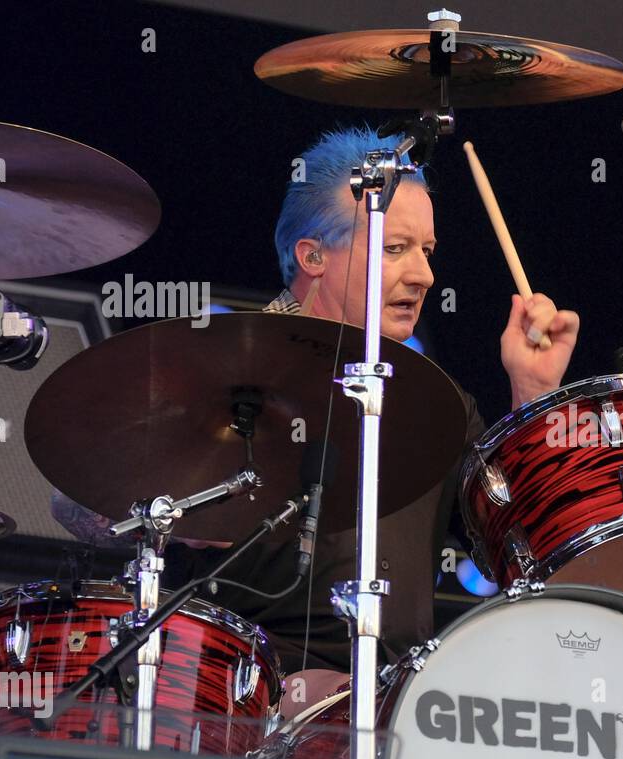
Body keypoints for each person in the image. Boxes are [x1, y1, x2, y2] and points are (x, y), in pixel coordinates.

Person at [53, 126, 580, 702]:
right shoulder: (222, 366)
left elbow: (525, 546)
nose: (425, 275)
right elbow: (77, 499)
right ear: (312, 256)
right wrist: (179, 505)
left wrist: (534, 393)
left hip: (399, 704)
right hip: (239, 695)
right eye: (394, 248)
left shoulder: (438, 401)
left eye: (427, 251)